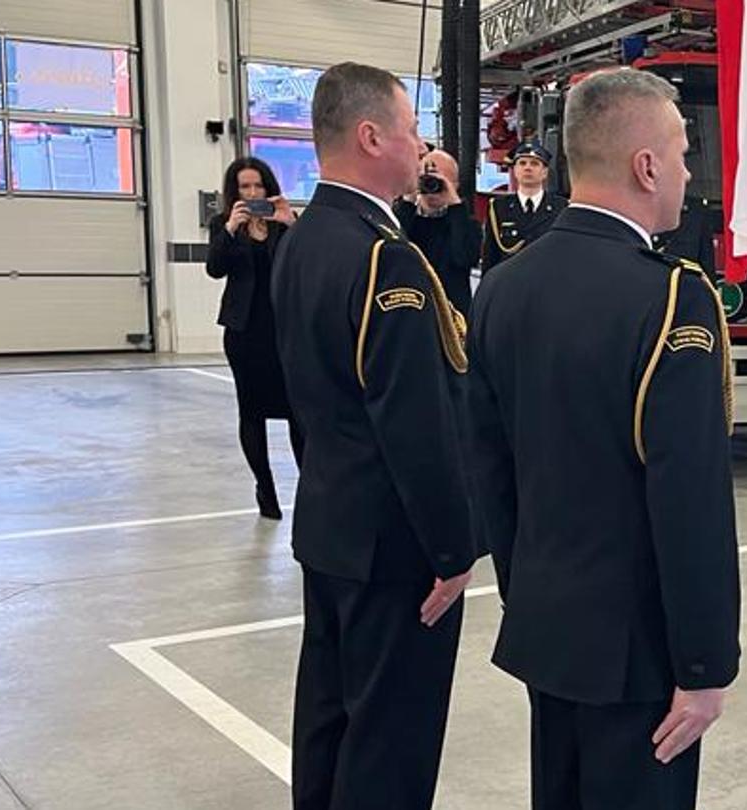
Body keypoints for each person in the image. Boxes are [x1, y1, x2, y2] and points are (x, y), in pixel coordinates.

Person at [465, 68, 739, 810]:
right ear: (646, 166)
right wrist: (705, 663)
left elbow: (491, 469)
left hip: (547, 627)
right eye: (681, 154)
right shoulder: (670, 295)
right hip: (638, 651)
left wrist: (530, 597)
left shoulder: (503, 287)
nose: (688, 172)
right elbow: (689, 497)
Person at [269, 62, 478, 810]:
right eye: (411, 129)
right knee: (391, 744)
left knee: (329, 722)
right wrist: (453, 549)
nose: (421, 146)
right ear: (370, 136)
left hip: (330, 522)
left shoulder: (303, 239)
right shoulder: (383, 257)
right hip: (394, 548)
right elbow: (415, 422)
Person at [205, 156, 303, 519]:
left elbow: (306, 264)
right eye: (244, 187)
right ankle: (265, 487)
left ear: (269, 188)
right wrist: (231, 228)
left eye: (258, 186)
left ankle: (309, 485)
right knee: (251, 411)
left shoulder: (285, 223)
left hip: (286, 331)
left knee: (297, 411)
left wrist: (291, 224)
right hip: (244, 332)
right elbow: (215, 268)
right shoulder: (223, 224)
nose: (251, 193)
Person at [397, 147, 482, 312]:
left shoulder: (466, 223)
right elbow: (393, 248)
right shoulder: (405, 218)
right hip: (411, 307)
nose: (432, 186)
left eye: (440, 180)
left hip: (452, 312)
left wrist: (456, 206)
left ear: (454, 185)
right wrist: (408, 200)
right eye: (426, 179)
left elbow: (465, 257)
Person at [481, 141, 567, 271]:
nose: (528, 168)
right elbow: (490, 255)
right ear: (515, 170)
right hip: (510, 279)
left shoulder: (561, 207)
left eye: (534, 164)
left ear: (545, 172)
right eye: (522, 163)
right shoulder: (498, 208)